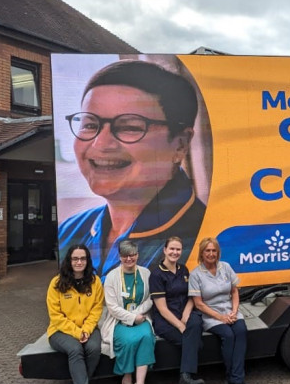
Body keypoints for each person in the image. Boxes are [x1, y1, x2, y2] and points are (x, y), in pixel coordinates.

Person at [58, 59, 207, 276]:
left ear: (180, 144)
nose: (101, 144)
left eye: (129, 127)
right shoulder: (70, 231)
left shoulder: (202, 236)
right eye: (90, 124)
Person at [46, 245, 104, 384]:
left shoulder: (95, 282)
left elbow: (96, 309)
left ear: (87, 261)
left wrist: (85, 330)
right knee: (75, 350)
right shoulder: (56, 284)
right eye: (75, 259)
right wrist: (77, 332)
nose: (79, 262)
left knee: (94, 348)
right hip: (60, 331)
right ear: (69, 261)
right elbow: (56, 316)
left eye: (83, 259)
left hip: (88, 329)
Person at [99, 240, 156, 384]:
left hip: (142, 317)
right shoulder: (111, 277)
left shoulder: (145, 273)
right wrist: (131, 318)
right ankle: (127, 378)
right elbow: (112, 307)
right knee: (129, 342)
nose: (129, 259)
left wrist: (139, 315)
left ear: (138, 255)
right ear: (120, 257)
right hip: (119, 321)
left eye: (132, 255)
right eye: (125, 256)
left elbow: (150, 298)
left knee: (146, 336)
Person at [189, 237, 247, 384]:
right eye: (207, 250)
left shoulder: (226, 267)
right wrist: (221, 317)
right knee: (228, 335)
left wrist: (234, 312)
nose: (211, 254)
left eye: (214, 250)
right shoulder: (196, 274)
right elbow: (198, 304)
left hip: (230, 311)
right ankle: (235, 379)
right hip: (211, 316)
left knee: (241, 331)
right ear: (202, 253)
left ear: (218, 252)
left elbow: (235, 292)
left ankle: (234, 379)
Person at [148, 236, 205, 384]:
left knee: (195, 323)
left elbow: (190, 297)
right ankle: (186, 379)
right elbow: (162, 308)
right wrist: (180, 325)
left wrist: (187, 314)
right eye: (171, 249)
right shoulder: (157, 274)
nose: (175, 252)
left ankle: (184, 380)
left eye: (178, 249)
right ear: (165, 250)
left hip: (185, 313)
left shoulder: (183, 269)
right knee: (195, 343)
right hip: (166, 320)